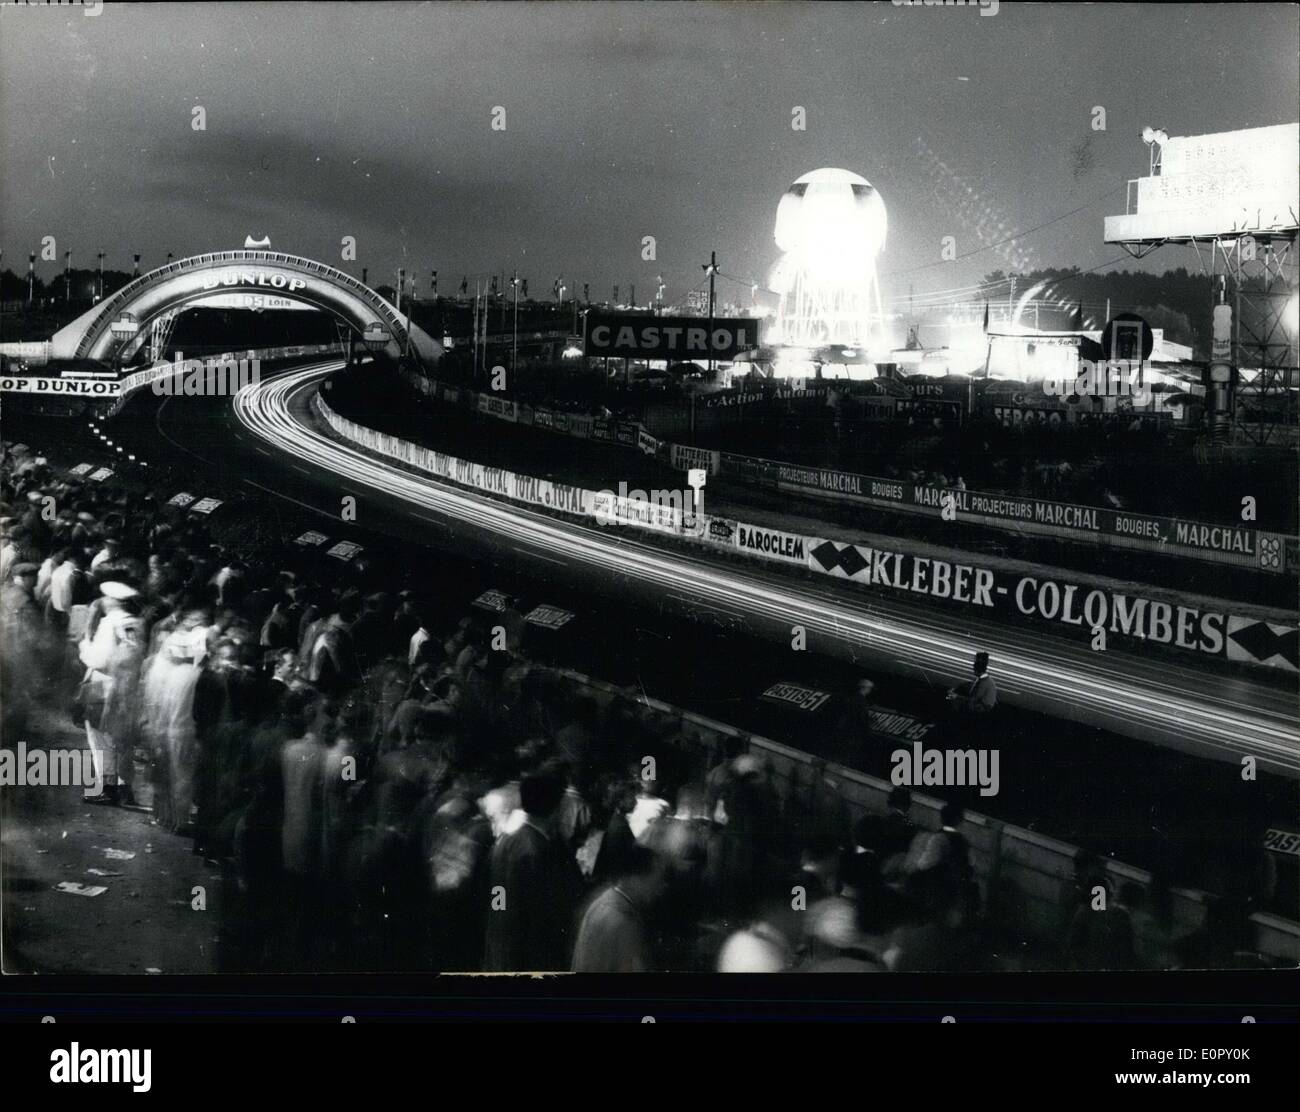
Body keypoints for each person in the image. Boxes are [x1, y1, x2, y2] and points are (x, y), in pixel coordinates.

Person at [483, 762, 583, 971]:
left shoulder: (507, 841)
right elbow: (548, 912)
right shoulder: (538, 850)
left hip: (501, 943)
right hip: (529, 955)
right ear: (556, 807)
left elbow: (498, 900)